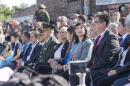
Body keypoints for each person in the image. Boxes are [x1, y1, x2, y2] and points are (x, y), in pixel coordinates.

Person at [86, 12, 120, 86]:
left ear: (104, 24)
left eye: (96, 22)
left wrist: (90, 68)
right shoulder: (98, 37)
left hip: (104, 69)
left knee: (84, 76)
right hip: (96, 68)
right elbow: (93, 58)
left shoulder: (111, 37)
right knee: (74, 71)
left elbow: (106, 60)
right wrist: (85, 66)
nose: (93, 24)